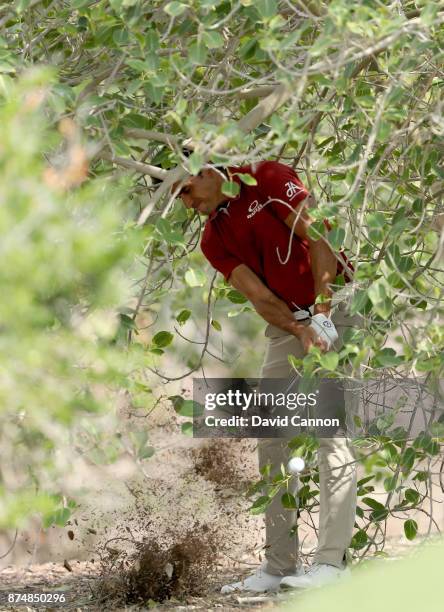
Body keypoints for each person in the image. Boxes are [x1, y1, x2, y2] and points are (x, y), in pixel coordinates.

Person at [173, 160, 358, 592]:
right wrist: (299, 327)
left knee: (328, 431)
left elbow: (318, 237)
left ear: (205, 170)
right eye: (177, 198)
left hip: (336, 305)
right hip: (288, 323)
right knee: (272, 436)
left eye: (184, 189)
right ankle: (279, 567)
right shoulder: (212, 238)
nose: (187, 202)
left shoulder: (267, 178)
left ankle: (332, 564)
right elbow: (258, 295)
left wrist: (323, 316)